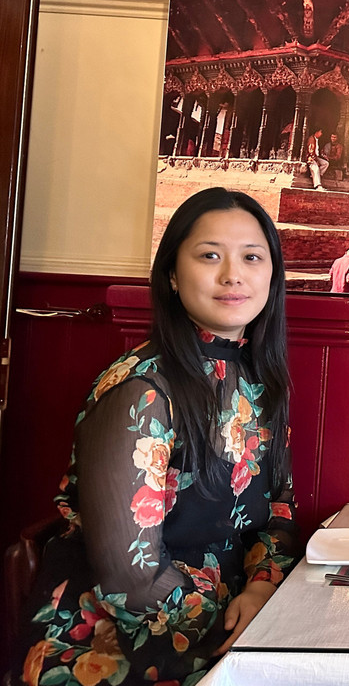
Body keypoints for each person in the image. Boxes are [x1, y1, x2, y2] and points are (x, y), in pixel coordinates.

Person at [19, 188, 299, 685]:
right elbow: (132, 579)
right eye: (209, 255)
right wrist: (240, 636)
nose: (233, 275)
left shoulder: (259, 382)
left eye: (252, 257)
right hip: (121, 647)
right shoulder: (141, 391)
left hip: (227, 627)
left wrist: (261, 589)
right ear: (171, 273)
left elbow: (279, 506)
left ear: (272, 275)